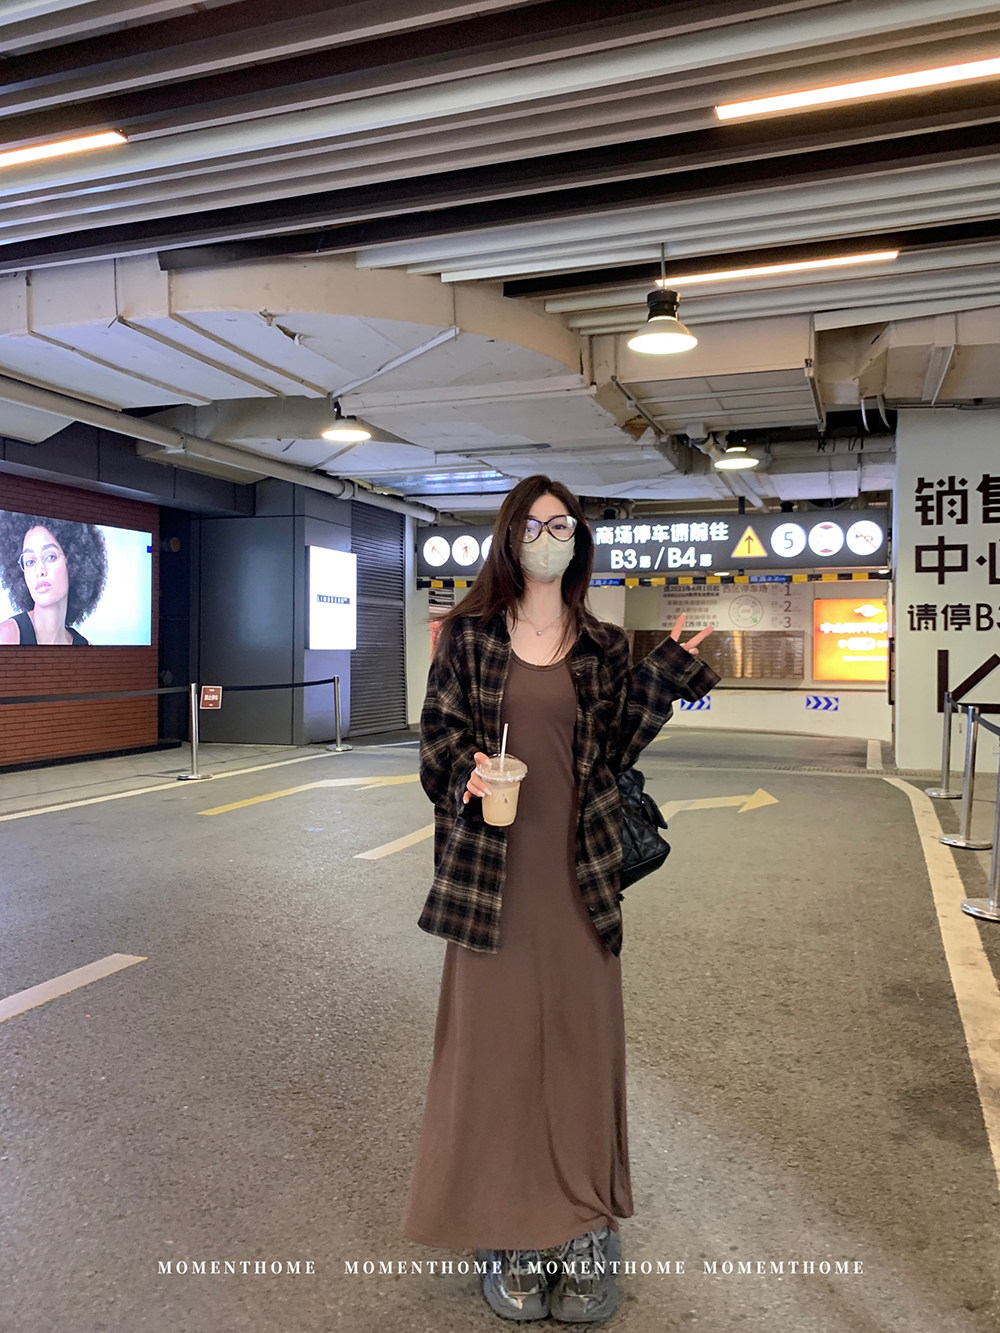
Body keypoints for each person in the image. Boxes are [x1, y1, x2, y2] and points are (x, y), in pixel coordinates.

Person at [403, 475, 717, 1323]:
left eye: (562, 524)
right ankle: (503, 1224)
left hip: (579, 873)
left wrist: (668, 671)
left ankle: (584, 1224)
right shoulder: (468, 637)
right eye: (534, 525)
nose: (549, 536)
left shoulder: (603, 643)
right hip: (490, 877)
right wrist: (468, 773)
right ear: (509, 538)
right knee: (495, 1053)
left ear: (579, 539)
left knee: (581, 1050)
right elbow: (436, 745)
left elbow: (612, 747)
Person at [0, 513, 107, 645]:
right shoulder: (7, 636)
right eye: (30, 562)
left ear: (73, 563)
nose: (40, 571)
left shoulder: (84, 646)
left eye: (50, 557)